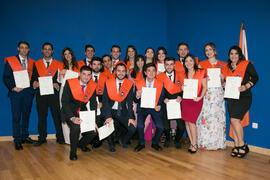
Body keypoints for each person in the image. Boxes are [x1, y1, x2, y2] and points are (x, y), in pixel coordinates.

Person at [222, 46, 258, 158]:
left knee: (234, 120)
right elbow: (224, 81)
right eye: (231, 54)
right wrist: (223, 84)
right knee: (233, 121)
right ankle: (237, 145)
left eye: (236, 54)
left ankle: (242, 145)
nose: (233, 56)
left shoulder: (246, 64)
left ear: (240, 55)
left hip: (244, 96)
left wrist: (246, 86)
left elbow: (255, 77)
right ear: (229, 56)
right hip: (232, 97)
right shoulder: (227, 68)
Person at [3, 41, 36, 150]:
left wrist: (34, 85)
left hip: (28, 93)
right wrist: (12, 87)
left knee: (26, 116)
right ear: (18, 49)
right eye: (22, 48)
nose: (24, 50)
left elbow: (34, 78)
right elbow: (6, 77)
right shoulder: (11, 61)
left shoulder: (32, 62)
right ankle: (17, 140)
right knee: (16, 117)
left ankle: (24, 136)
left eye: (26, 48)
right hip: (16, 93)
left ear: (29, 49)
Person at [61, 65, 98, 160]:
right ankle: (73, 152)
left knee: (93, 132)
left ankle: (81, 145)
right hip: (69, 112)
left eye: (89, 75)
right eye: (84, 74)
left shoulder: (92, 86)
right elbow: (64, 102)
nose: (86, 77)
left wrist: (93, 121)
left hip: (82, 112)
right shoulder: (70, 83)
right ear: (79, 74)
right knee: (75, 127)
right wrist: (72, 118)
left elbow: (93, 104)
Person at [31, 42, 64, 146]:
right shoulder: (36, 64)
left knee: (57, 116)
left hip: (54, 94)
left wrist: (57, 84)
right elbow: (33, 78)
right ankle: (42, 138)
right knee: (41, 116)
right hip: (41, 94)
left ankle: (60, 137)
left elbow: (62, 79)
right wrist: (34, 83)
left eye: (49, 49)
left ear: (52, 51)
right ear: (42, 50)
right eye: (45, 49)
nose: (47, 51)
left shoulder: (59, 64)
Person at [196, 43, 227, 150]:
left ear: (215, 51)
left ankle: (217, 143)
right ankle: (205, 142)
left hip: (218, 94)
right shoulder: (201, 64)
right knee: (205, 117)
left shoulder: (223, 64)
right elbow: (197, 81)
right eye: (206, 50)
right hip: (206, 94)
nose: (208, 52)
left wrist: (222, 78)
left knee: (217, 118)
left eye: (210, 49)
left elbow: (225, 83)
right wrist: (203, 79)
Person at [102, 63, 136, 152]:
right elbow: (105, 101)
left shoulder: (129, 84)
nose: (121, 73)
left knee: (132, 128)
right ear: (115, 72)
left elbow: (130, 103)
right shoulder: (108, 83)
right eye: (119, 71)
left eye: (123, 71)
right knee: (108, 124)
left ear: (126, 72)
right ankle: (111, 144)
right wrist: (108, 116)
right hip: (110, 110)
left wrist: (131, 117)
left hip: (122, 111)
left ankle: (123, 141)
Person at [134, 63, 165, 152]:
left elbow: (162, 97)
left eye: (153, 71)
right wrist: (137, 96)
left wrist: (159, 105)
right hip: (143, 108)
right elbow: (135, 100)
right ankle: (141, 143)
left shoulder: (160, 83)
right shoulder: (138, 83)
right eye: (149, 71)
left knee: (160, 127)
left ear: (155, 72)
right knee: (140, 126)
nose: (151, 73)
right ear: (145, 72)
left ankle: (155, 142)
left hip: (155, 108)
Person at [157, 57, 185, 149]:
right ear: (164, 65)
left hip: (177, 102)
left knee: (181, 127)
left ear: (174, 65)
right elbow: (158, 91)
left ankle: (177, 140)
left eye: (171, 64)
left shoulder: (180, 75)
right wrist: (163, 99)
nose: (169, 66)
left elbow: (184, 88)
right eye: (167, 64)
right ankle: (168, 140)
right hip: (166, 103)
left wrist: (181, 96)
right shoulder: (160, 77)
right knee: (166, 127)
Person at [181, 54, 207, 153]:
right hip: (186, 100)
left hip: (196, 100)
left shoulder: (201, 72)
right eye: (186, 61)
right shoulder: (184, 74)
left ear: (194, 62)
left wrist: (200, 97)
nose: (188, 63)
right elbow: (181, 86)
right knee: (186, 122)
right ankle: (191, 142)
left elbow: (205, 87)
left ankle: (194, 144)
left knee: (191, 122)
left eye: (190, 60)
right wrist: (182, 88)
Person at [59, 47, 80, 144]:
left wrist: (69, 72)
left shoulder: (78, 65)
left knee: (76, 112)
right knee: (65, 113)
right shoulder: (60, 65)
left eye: (69, 53)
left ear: (72, 55)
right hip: (64, 90)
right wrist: (60, 74)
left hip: (76, 90)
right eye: (65, 54)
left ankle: (78, 137)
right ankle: (68, 139)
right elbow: (59, 81)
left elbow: (81, 76)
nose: (67, 56)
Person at [90, 57, 108, 148]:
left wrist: (102, 102)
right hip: (89, 100)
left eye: (98, 64)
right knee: (91, 119)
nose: (96, 66)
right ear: (91, 65)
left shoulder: (105, 77)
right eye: (94, 64)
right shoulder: (87, 76)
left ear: (101, 66)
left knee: (99, 119)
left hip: (101, 100)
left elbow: (107, 93)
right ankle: (90, 138)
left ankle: (98, 140)